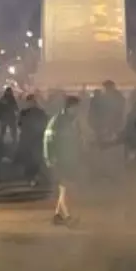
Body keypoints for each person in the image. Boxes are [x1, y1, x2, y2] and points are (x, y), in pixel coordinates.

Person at [44, 96, 83, 226]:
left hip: (69, 159)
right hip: (59, 160)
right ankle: (67, 217)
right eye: (76, 108)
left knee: (64, 188)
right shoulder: (57, 121)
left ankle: (58, 215)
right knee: (66, 188)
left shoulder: (72, 121)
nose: (78, 111)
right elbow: (48, 141)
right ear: (69, 107)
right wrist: (50, 158)